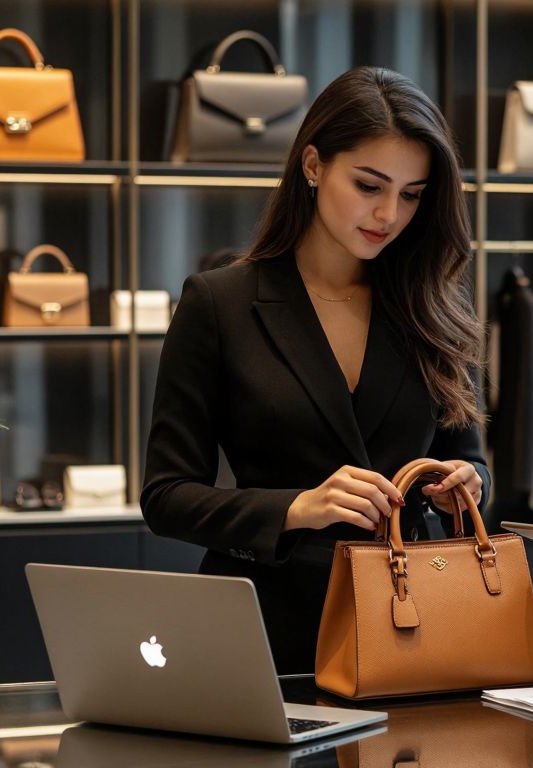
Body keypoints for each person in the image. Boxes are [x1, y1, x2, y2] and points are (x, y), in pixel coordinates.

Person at [142, 66, 489, 674]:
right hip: (266, 629)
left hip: (409, 619)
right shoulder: (219, 303)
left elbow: (470, 455)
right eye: (368, 185)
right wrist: (297, 507)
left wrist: (467, 482)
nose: (388, 213)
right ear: (312, 165)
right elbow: (167, 496)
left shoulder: (434, 307)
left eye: (411, 195)